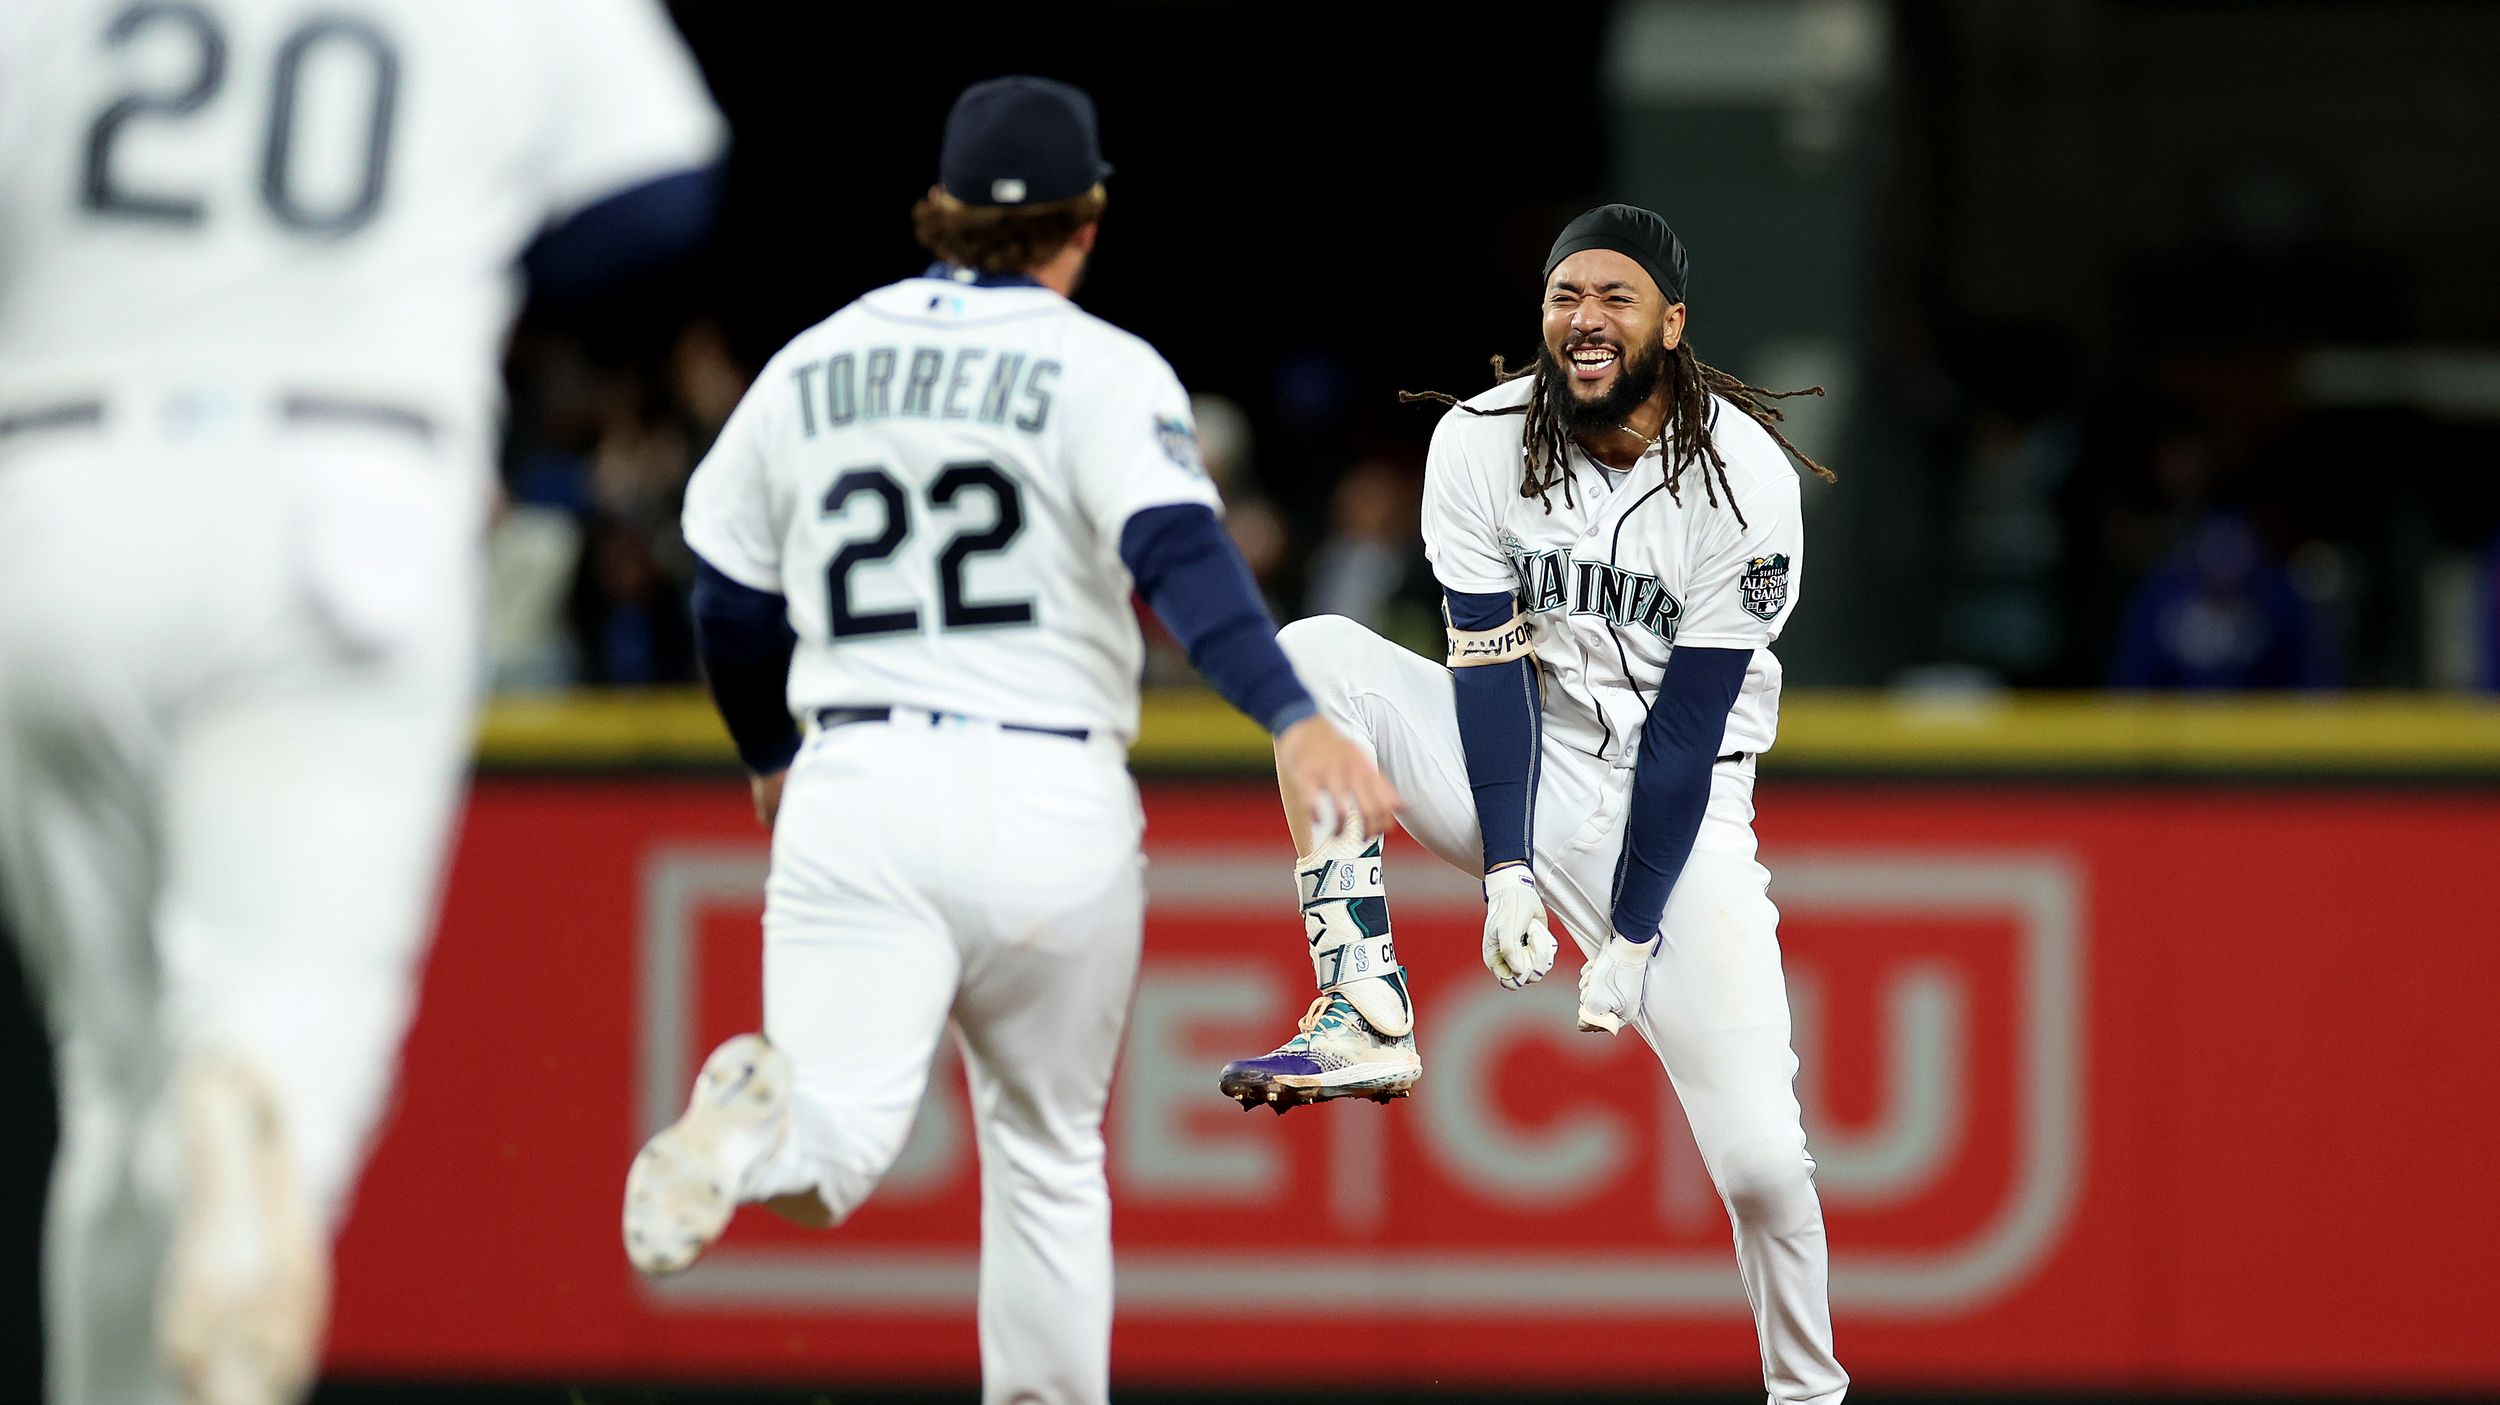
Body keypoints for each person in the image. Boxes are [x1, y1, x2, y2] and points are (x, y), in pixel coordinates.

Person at [623, 76, 1396, 1405]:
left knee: (835, 1148)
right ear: (1084, 220)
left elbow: (728, 594)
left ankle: (747, 1132)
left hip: (853, 780)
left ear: (937, 215)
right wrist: (1292, 712)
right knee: (1046, 1154)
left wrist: (767, 752)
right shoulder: (1099, 367)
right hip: (1044, 787)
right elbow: (1179, 557)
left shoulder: (814, 363)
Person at [0, 3, 725, 1402]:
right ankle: (257, 1097)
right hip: (347, 487)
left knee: (114, 1072)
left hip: (58, 490)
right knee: (279, 1018)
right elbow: (656, 196)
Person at [1217, 205, 1850, 1403]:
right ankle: (1360, 1004)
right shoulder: (1481, 438)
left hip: (1684, 811)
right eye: (1566, 294)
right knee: (1308, 652)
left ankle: (1807, 1396)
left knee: (1765, 1164)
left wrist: (1635, 932)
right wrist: (1504, 864)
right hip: (1522, 753)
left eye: (1615, 296)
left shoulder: (1748, 480)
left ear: (1672, 323)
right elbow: (1484, 666)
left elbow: (1682, 734)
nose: (1584, 317)